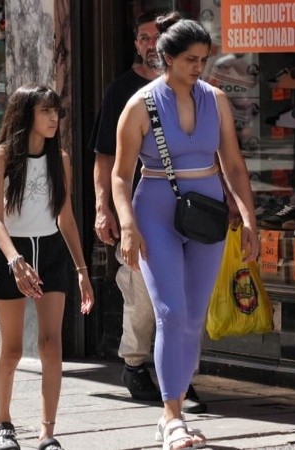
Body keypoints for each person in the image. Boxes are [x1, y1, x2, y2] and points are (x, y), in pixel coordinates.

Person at [111, 12, 259, 450]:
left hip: (208, 212)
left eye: (204, 59)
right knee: (170, 313)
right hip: (155, 210)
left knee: (194, 318)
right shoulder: (140, 105)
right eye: (190, 59)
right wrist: (126, 225)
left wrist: (249, 217)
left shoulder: (216, 99)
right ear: (168, 58)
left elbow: (233, 163)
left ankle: (173, 409)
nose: (199, 67)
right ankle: (171, 414)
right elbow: (120, 175)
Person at [90, 8, 206, 414]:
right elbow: (106, 158)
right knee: (143, 296)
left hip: (191, 213)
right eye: (141, 37)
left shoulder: (197, 90)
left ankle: (182, 379)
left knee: (186, 301)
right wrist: (104, 209)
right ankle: (135, 364)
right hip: (143, 212)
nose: (147, 43)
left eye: (154, 36)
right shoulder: (124, 91)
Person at [0, 84, 95, 450]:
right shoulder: (0, 157)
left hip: (50, 253)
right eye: (46, 111)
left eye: (56, 112)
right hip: (12, 254)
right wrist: (15, 260)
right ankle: (2, 423)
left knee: (51, 344)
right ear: (25, 114)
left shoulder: (59, 158)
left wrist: (82, 270)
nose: (54, 118)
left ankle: (47, 432)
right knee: (12, 349)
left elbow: (65, 217)